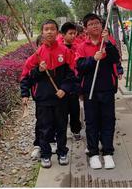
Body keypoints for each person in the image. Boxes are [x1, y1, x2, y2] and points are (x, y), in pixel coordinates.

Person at [20, 19, 76, 169]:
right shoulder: (37, 55)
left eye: (52, 29)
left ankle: (62, 152)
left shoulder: (65, 52)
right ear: (42, 32)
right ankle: (45, 154)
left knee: (61, 127)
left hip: (61, 99)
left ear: (57, 32)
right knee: (44, 128)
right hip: (43, 100)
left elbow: (73, 75)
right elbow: (26, 77)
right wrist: (38, 70)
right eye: (46, 29)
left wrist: (64, 88)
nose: (49, 31)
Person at [76, 13, 120, 170]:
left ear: (102, 25)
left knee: (108, 121)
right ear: (86, 28)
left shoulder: (108, 42)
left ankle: (108, 152)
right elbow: (79, 67)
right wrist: (93, 59)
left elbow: (116, 59)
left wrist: (107, 43)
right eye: (91, 24)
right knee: (92, 122)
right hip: (90, 91)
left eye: (97, 23)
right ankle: (93, 153)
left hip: (107, 89)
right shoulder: (82, 46)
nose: (94, 26)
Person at [60, 21, 82, 141]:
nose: (73, 36)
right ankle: (61, 131)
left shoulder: (77, 47)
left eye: (74, 33)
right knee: (62, 110)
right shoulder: (59, 49)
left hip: (74, 83)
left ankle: (76, 129)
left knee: (75, 108)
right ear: (63, 35)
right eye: (70, 33)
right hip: (63, 84)